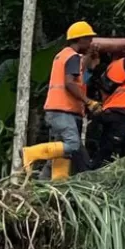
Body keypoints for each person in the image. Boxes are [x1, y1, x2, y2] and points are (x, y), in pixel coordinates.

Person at [21, 21, 101, 180]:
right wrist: (89, 101)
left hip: (59, 111)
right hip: (62, 112)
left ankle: (47, 185)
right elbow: (70, 83)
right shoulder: (71, 57)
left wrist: (91, 59)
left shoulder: (65, 55)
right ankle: (31, 153)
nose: (91, 42)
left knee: (59, 154)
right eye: (89, 39)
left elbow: (80, 72)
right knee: (72, 145)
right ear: (80, 39)